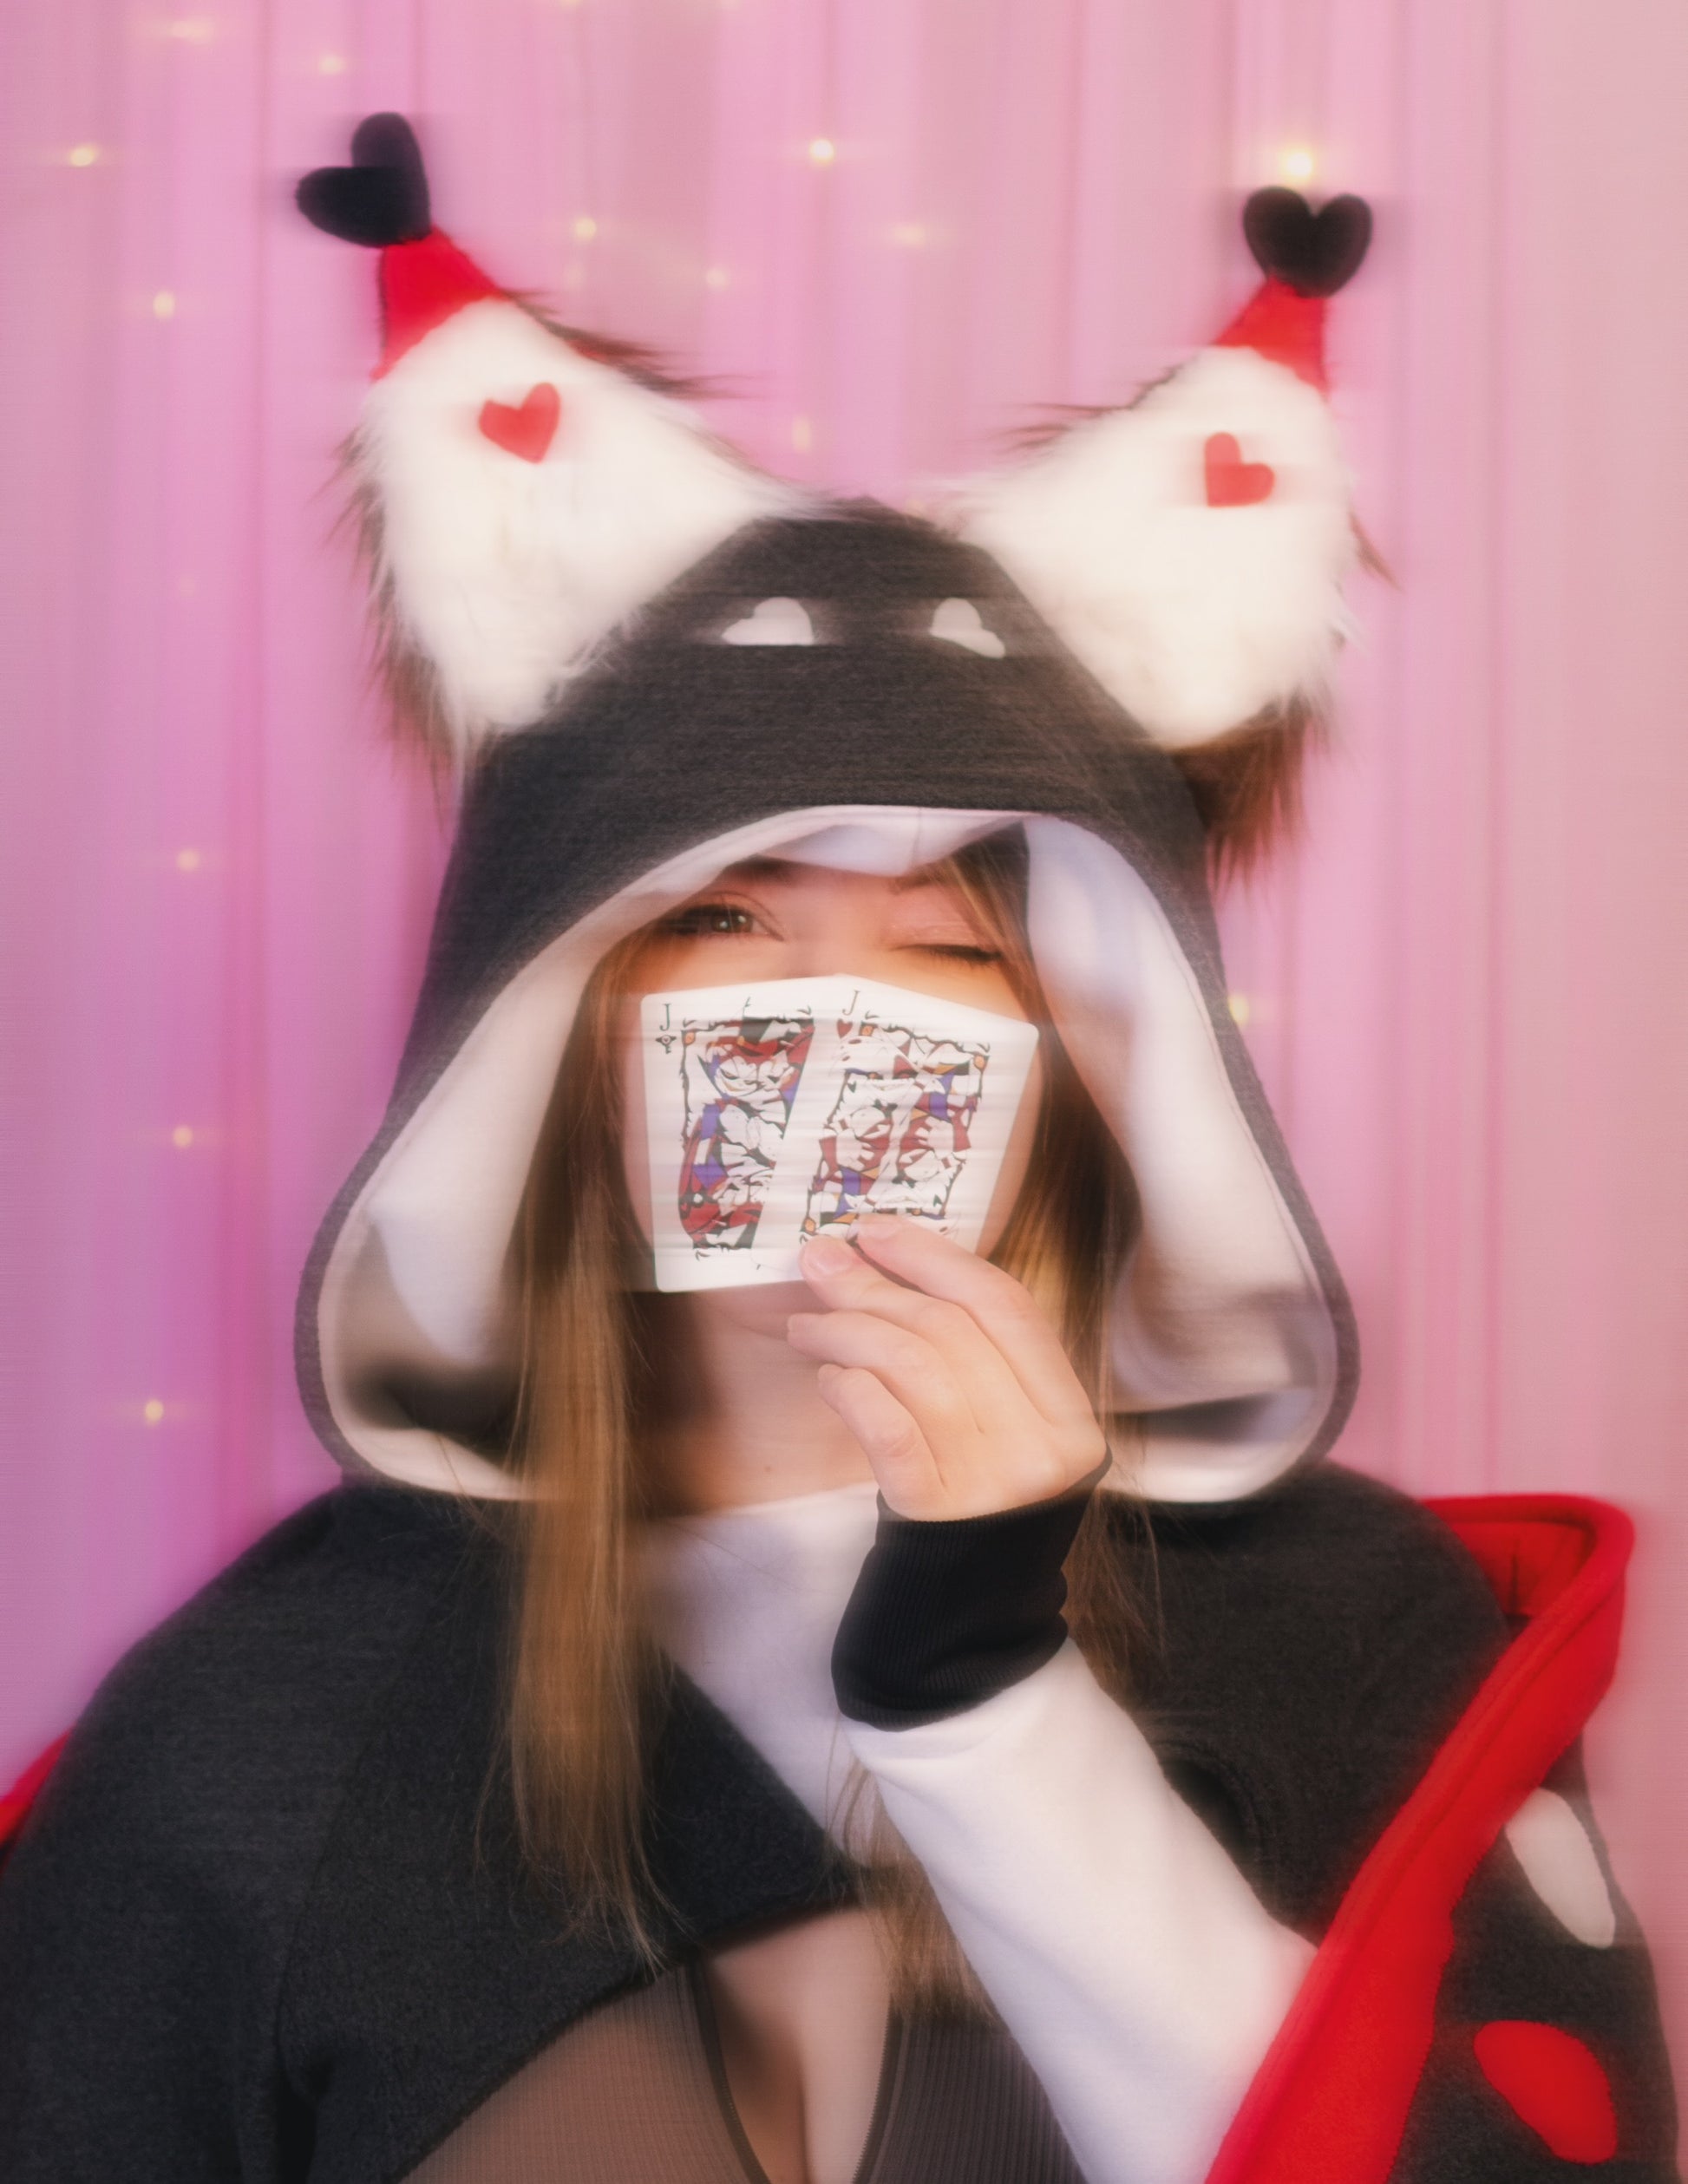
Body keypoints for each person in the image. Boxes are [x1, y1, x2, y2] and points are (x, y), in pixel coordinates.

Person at [0, 117, 1677, 2184]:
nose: (831, 1012)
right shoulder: (266, 1713)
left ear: (1088, 1063)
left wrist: (986, 1688)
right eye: (723, 916)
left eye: (952, 946)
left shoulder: (1353, 1622)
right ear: (549, 1026)